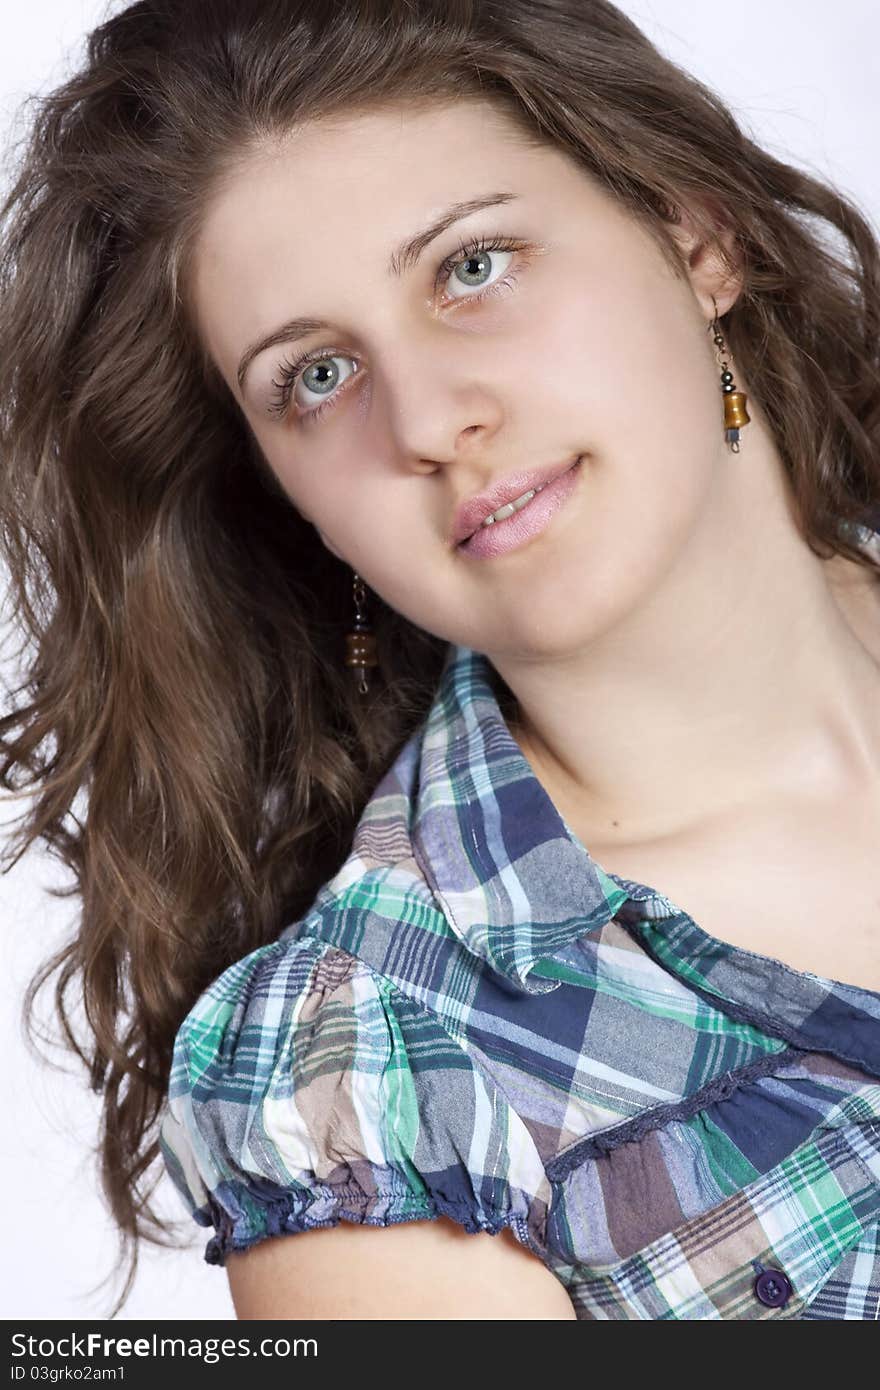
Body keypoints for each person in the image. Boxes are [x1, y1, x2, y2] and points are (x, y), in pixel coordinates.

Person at [1, 0, 878, 1322]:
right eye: (314, 375)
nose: (426, 420)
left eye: (471, 266)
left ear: (696, 235)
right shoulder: (368, 1070)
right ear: (288, 495)